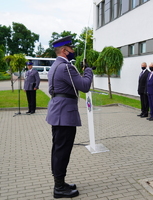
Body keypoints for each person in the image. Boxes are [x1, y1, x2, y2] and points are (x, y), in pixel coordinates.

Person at [46, 35, 93, 199]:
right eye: (71, 48)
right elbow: (85, 86)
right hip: (65, 115)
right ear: (65, 51)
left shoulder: (55, 65)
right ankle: (59, 188)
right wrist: (88, 70)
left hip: (58, 112)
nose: (74, 51)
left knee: (59, 150)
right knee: (62, 152)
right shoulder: (66, 67)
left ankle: (60, 182)